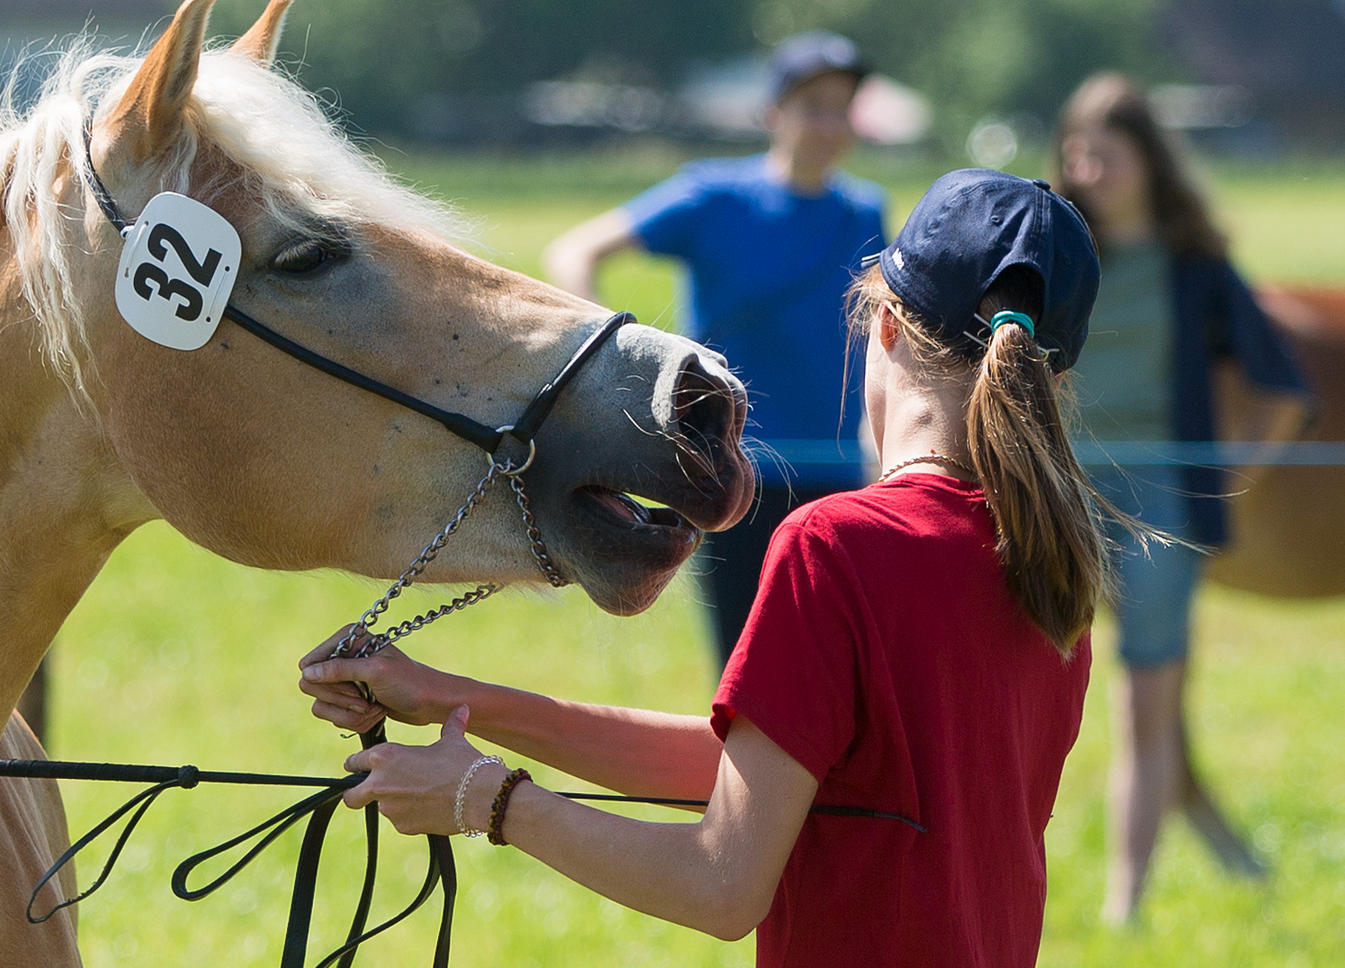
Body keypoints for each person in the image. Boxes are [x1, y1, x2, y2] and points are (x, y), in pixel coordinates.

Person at [302, 171, 1111, 966]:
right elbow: (768, 780)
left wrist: (486, 799)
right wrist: (457, 701)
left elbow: (722, 885)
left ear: (886, 327)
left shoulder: (836, 545)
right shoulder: (1051, 566)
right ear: (1052, 376)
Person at [1054, 73, 1312, 923]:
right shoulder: (1055, 258)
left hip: (1159, 511)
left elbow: (1282, 391)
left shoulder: (1195, 266)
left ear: (1149, 161)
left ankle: (1124, 903)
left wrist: (1227, 480)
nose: (1088, 168)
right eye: (1077, 153)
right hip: (1057, 504)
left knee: (1142, 702)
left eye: (1107, 153)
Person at [543, 31, 886, 666]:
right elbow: (574, 251)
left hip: (836, 479)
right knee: (748, 672)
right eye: (813, 106)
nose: (829, 124)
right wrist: (613, 365)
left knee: (836, 673)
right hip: (732, 477)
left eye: (843, 107)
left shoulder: (865, 211)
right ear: (773, 115)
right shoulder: (712, 197)